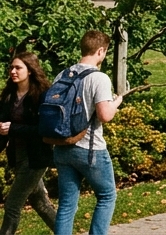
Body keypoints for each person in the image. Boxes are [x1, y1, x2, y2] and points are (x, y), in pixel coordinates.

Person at [52, 30, 121, 235]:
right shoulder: (98, 78)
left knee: (66, 204)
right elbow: (104, 115)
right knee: (107, 195)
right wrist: (117, 101)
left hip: (62, 146)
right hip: (90, 149)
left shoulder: (62, 74)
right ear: (100, 51)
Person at [0, 52, 57, 235]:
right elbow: (3, 125)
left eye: (18, 68)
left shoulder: (42, 95)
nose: (13, 71)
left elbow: (44, 129)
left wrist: (13, 128)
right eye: (11, 67)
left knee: (12, 204)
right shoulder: (9, 94)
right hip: (17, 156)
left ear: (30, 70)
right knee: (40, 203)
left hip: (35, 158)